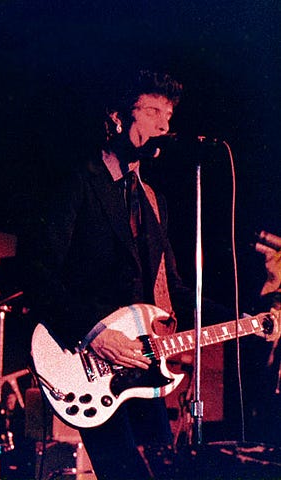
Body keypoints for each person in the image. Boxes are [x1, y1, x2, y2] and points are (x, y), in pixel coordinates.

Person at [21, 70, 278, 479]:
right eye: (154, 111)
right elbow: (36, 271)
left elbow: (175, 294)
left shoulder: (153, 200)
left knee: (159, 473)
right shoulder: (77, 181)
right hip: (88, 361)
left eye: (170, 117)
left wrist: (246, 319)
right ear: (118, 118)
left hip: (143, 367)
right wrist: (93, 332)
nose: (164, 126)